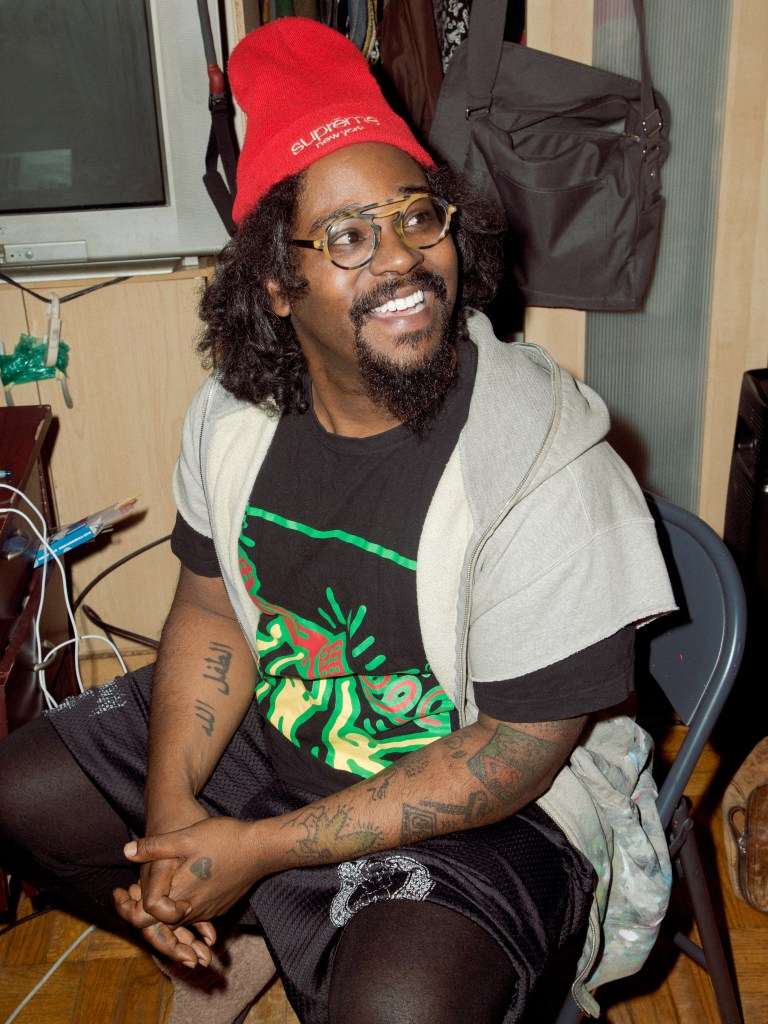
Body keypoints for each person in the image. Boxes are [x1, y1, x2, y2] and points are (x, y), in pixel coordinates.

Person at [0, 17, 676, 1024]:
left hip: (487, 800)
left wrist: (256, 848)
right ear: (277, 282)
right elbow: (213, 611)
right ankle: (240, 938)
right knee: (23, 792)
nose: (403, 260)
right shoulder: (235, 422)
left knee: (398, 1006)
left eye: (417, 218)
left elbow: (514, 752)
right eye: (350, 235)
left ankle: (277, 906)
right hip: (285, 720)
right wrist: (173, 812)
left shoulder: (544, 468)